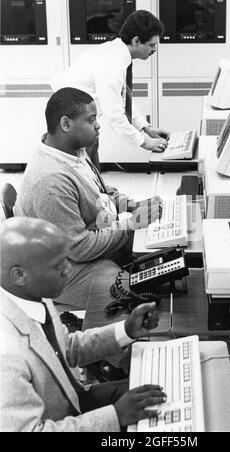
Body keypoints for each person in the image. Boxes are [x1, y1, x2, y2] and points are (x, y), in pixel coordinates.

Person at [0, 216, 166, 432]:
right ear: (19, 275)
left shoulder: (32, 295)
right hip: (60, 421)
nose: (68, 270)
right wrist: (115, 416)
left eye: (66, 260)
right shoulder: (7, 354)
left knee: (161, 391)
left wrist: (126, 330)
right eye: (58, 266)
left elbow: (66, 348)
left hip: (73, 400)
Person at [15, 87, 162, 311]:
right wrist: (131, 224)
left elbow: (100, 191)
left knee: (158, 250)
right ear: (66, 124)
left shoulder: (72, 150)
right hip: (64, 268)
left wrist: (132, 206)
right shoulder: (50, 181)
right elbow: (79, 248)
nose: (98, 124)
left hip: (90, 237)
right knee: (127, 292)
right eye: (91, 119)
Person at [51, 10, 170, 155]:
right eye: (152, 45)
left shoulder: (118, 53)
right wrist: (144, 141)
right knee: (83, 158)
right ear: (136, 41)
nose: (155, 49)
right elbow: (114, 115)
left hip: (79, 114)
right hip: (70, 118)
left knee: (91, 150)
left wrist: (145, 128)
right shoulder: (113, 63)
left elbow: (123, 101)